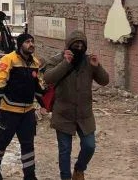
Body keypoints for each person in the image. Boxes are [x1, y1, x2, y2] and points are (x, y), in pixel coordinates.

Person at [43, 31, 109, 180]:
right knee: (65, 150)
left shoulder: (88, 61)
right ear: (68, 45)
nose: (79, 47)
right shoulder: (57, 60)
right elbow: (48, 78)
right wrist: (65, 63)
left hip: (85, 115)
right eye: (75, 44)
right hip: (63, 114)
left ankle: (79, 169)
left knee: (89, 146)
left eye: (82, 45)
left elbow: (105, 81)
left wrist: (97, 67)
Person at [0, 33, 45, 180]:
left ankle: (30, 175)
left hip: (28, 112)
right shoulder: (8, 60)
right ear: (20, 45)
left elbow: (36, 87)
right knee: (2, 142)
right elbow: (1, 82)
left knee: (28, 144)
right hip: (9, 111)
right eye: (27, 42)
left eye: (32, 41)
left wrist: (44, 105)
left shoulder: (35, 63)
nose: (31, 44)